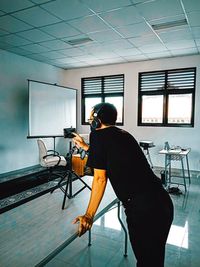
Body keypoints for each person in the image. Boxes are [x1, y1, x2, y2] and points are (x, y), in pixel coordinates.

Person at [72, 102, 174, 267]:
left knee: (147, 262)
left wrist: (89, 215)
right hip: (161, 203)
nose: (90, 121)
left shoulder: (97, 136)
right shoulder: (123, 134)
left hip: (143, 211)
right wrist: (85, 147)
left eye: (91, 118)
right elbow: (110, 154)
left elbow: (100, 178)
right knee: (154, 259)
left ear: (97, 121)